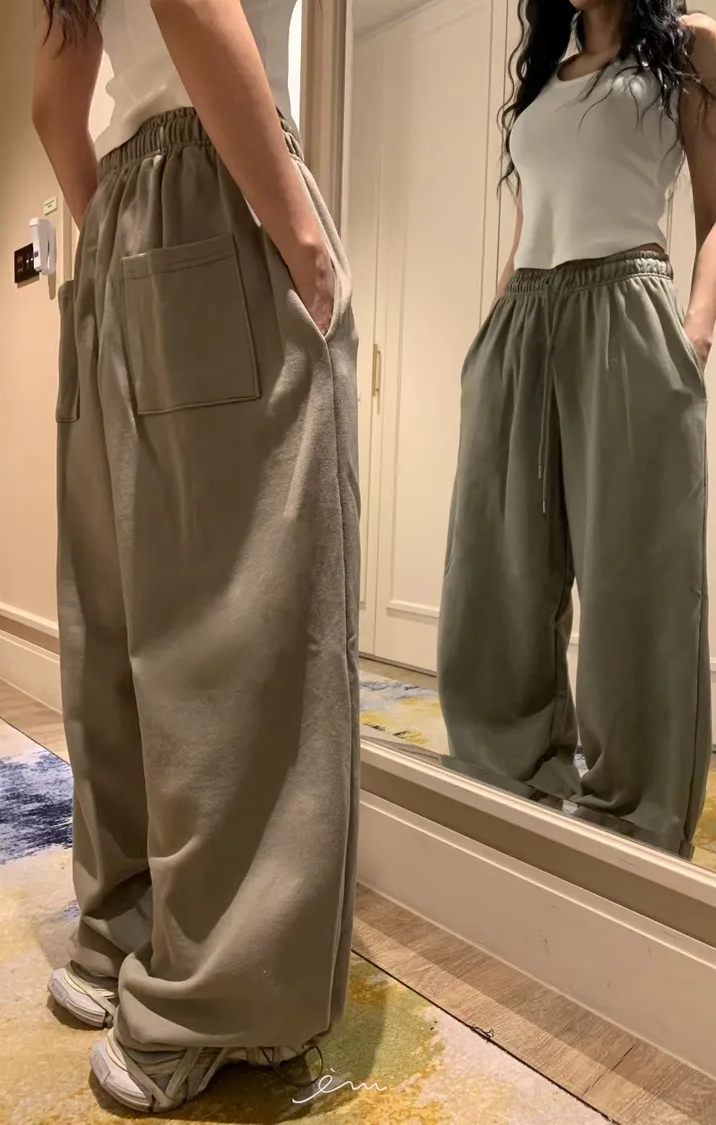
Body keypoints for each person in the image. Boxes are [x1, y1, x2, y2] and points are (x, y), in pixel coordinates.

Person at [33, 0, 360, 1113]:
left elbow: (53, 101)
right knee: (250, 618)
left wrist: (117, 231)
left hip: (124, 208)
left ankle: (118, 939)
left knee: (129, 612)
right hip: (220, 175)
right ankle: (208, 1004)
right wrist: (295, 227)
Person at [438, 0, 716, 858]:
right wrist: (490, 336)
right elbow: (533, 216)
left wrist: (695, 334)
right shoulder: (545, 73)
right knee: (497, 567)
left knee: (637, 577)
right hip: (523, 315)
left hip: (626, 302)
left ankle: (635, 815)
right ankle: (507, 776)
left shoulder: (690, 47)